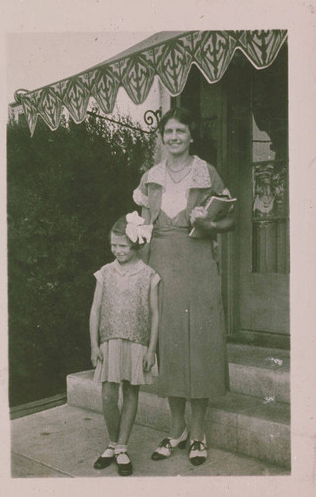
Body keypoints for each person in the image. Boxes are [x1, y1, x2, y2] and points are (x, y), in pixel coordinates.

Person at [133, 107, 235, 466]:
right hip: (161, 264)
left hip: (199, 265)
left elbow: (230, 219)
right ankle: (175, 431)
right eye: (169, 131)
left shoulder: (206, 172)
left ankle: (198, 434)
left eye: (181, 131)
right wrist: (139, 271)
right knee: (170, 344)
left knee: (201, 344)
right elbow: (144, 229)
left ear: (191, 136)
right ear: (161, 137)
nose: (174, 137)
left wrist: (208, 224)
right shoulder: (151, 177)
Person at [90, 212, 160, 476]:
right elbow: (95, 310)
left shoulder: (149, 275)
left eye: (122, 246)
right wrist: (94, 344)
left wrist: (152, 349)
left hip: (137, 342)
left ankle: (121, 447)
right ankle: (112, 442)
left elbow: (155, 313)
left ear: (136, 245)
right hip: (109, 341)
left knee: (131, 393)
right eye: (113, 245)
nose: (117, 250)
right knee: (108, 395)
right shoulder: (105, 273)